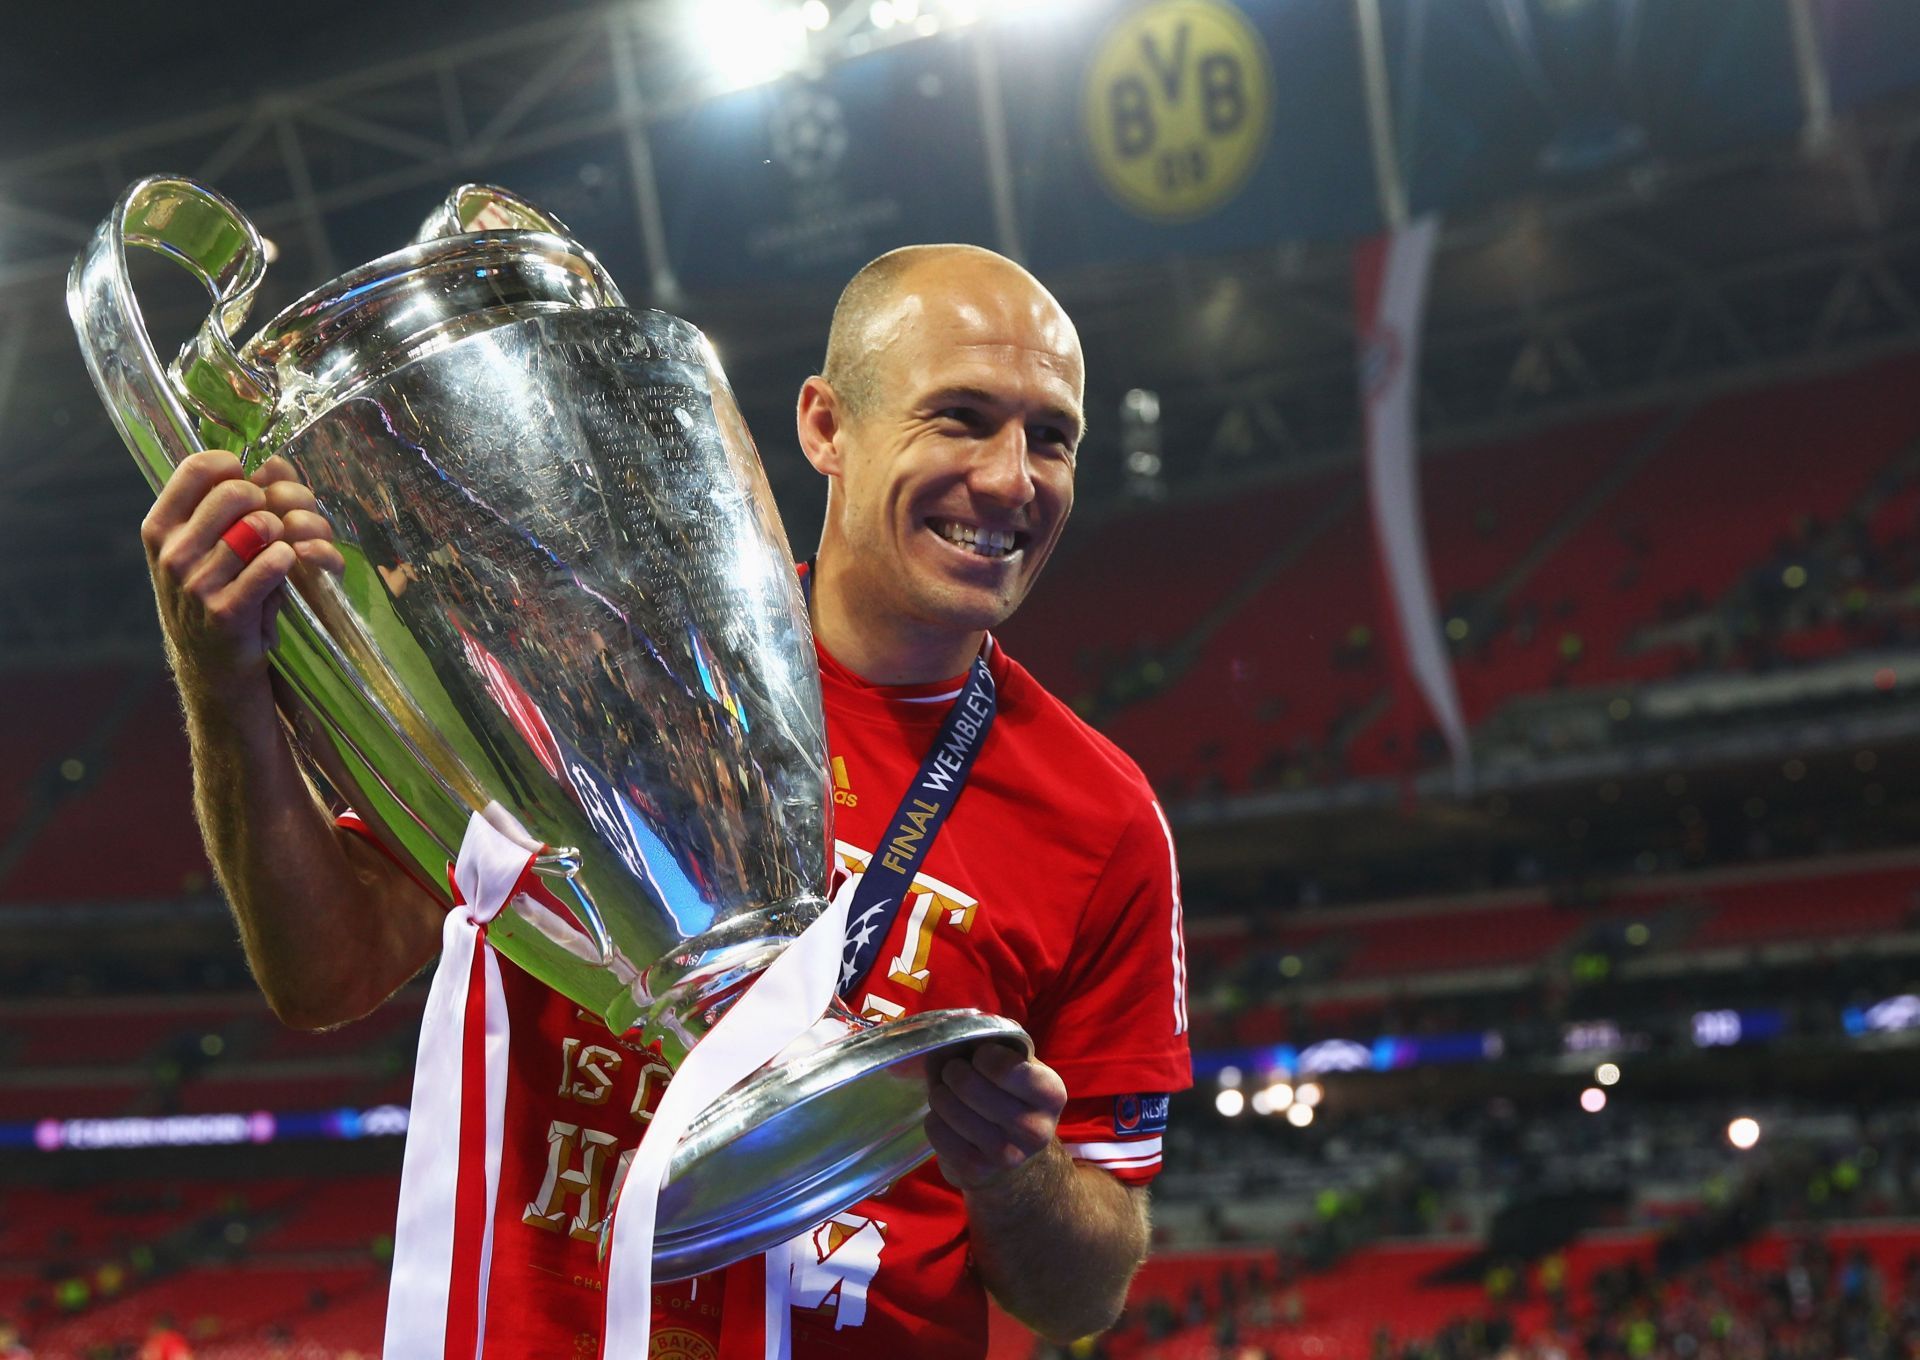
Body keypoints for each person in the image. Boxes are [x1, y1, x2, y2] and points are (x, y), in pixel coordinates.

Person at [140, 242, 1189, 1357]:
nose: (1012, 478)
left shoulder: (1102, 820)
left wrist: (1013, 1168)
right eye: (962, 417)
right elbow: (325, 974)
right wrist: (225, 682)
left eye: (1052, 437)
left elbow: (1082, 1292)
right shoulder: (591, 665)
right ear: (827, 427)